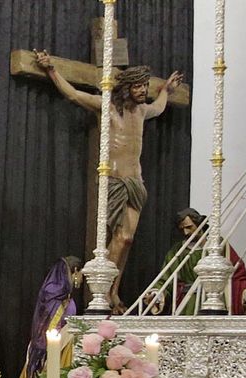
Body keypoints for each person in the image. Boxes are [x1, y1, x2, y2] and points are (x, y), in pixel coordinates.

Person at [35, 52, 184, 311]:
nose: (142, 91)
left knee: (127, 239)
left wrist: (166, 91)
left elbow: (159, 107)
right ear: (126, 88)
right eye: (137, 86)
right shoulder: (107, 107)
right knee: (119, 237)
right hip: (114, 181)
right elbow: (73, 95)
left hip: (136, 182)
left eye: (145, 86)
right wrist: (52, 71)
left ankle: (113, 289)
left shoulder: (142, 111)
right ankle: (105, 290)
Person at [9, 256, 82, 378]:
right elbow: (60, 328)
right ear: (73, 272)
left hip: (38, 351)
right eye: (81, 274)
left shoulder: (49, 296)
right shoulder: (65, 301)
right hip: (58, 352)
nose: (82, 279)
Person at [164, 207, 246, 315]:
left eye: (189, 227)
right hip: (188, 304)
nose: (185, 232)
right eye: (182, 229)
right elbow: (166, 279)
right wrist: (156, 293)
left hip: (218, 302)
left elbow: (237, 273)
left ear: (199, 224)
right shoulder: (178, 251)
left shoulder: (219, 245)